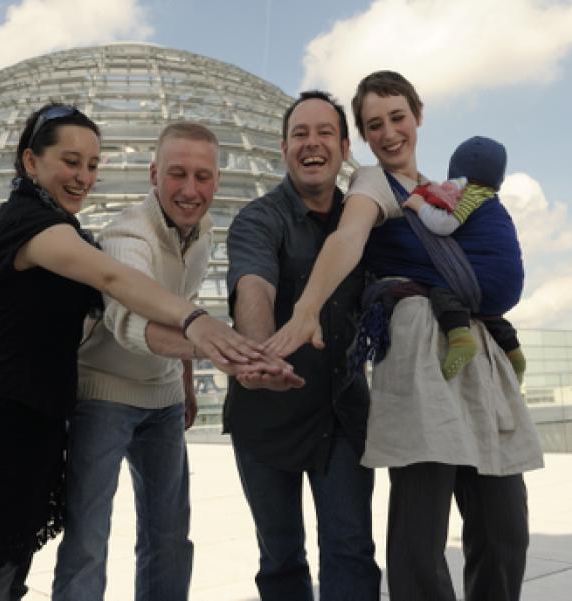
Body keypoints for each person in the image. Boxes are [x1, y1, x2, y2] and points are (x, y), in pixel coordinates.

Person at [0, 103, 286, 601]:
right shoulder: (41, 227)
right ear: (30, 162)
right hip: (6, 420)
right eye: (70, 161)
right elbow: (114, 282)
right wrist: (201, 327)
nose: (83, 176)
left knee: (10, 571)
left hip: (37, 418)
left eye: (92, 165)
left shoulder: (63, 230)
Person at [267, 71, 543, 601]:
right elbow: (349, 236)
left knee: (504, 527)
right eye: (374, 125)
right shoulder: (372, 184)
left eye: (397, 117)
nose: (389, 133)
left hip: (477, 356)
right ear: (364, 139)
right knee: (421, 533)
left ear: (418, 114)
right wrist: (307, 308)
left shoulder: (443, 193)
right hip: (422, 358)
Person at [52, 123, 279, 600]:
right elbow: (131, 326)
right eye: (177, 174)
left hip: (166, 401)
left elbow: (185, 298)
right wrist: (222, 350)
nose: (190, 190)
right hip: (103, 396)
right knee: (89, 539)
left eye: (202, 176)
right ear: (154, 174)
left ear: (217, 180)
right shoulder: (126, 235)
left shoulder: (204, 231)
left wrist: (189, 383)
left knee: (170, 538)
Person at [224, 91, 381, 601]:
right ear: (283, 146)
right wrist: (261, 354)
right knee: (281, 557)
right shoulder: (258, 218)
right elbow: (254, 285)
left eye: (324, 133)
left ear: (343, 145)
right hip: (267, 413)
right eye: (300, 134)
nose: (311, 144)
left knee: (351, 550)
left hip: (342, 413)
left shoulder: (366, 218)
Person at [400, 136, 525, 380]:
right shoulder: (492, 202)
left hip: (484, 280)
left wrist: (418, 206)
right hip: (508, 286)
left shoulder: (470, 195)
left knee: (441, 290)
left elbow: (443, 225)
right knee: (488, 314)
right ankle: (513, 352)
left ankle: (459, 338)